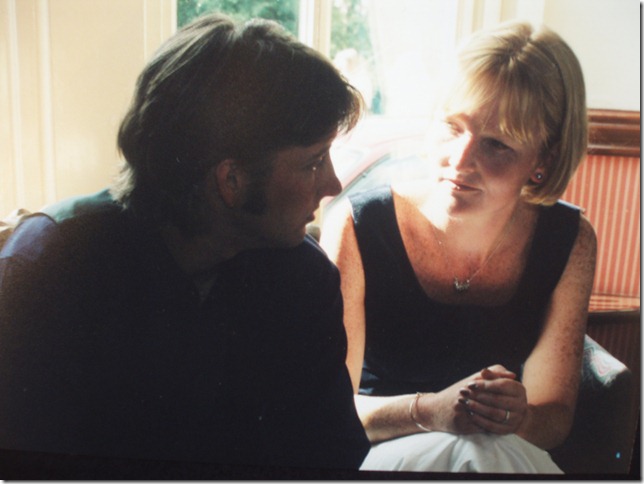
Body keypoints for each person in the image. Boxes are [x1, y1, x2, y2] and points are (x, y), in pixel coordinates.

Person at [0, 13, 370, 478]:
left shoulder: (305, 281)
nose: (333, 183)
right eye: (313, 162)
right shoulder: (48, 268)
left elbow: (328, 459)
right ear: (231, 180)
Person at [320, 21, 596, 474]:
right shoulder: (357, 223)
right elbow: (329, 411)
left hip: (504, 453)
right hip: (383, 451)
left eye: (496, 145)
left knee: (487, 455)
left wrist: (520, 418)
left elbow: (554, 419)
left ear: (543, 161)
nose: (461, 161)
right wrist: (429, 411)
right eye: (452, 127)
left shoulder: (570, 239)